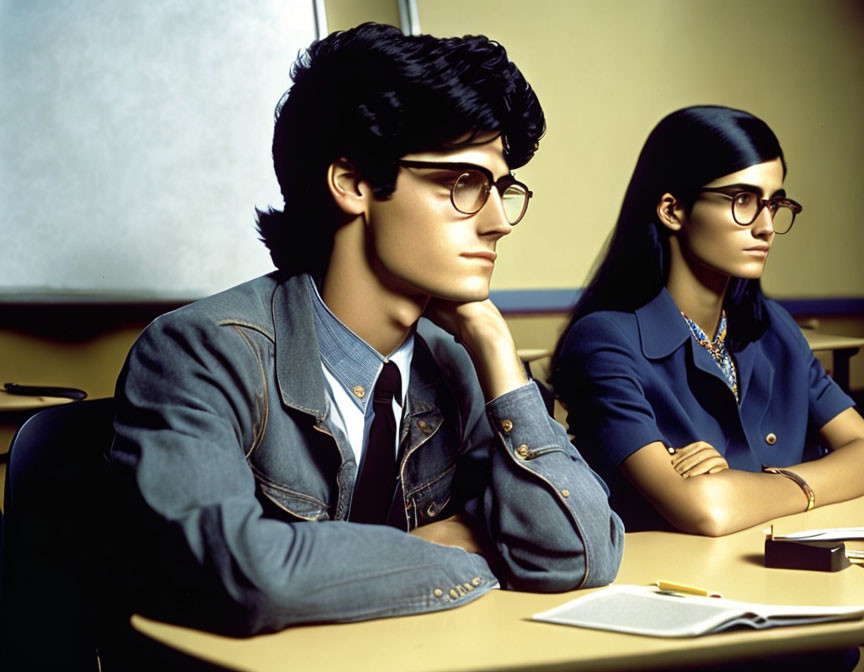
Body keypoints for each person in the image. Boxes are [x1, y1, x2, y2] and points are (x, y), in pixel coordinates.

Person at [108, 22, 623, 637]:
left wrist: (491, 342)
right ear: (352, 183)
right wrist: (469, 551)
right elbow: (247, 577)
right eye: (463, 184)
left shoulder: (459, 361)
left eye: (502, 189)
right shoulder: (202, 351)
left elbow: (578, 554)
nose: (498, 222)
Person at [550, 105, 864, 536]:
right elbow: (705, 512)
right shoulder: (605, 340)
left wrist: (762, 485)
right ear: (672, 210)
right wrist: (818, 480)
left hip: (783, 572)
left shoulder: (772, 325)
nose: (767, 226)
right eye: (743, 201)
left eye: (773, 203)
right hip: (670, 586)